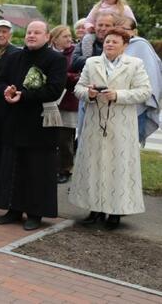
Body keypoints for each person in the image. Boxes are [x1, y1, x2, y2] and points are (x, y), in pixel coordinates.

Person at [70, 27, 152, 230]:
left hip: (121, 125)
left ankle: (115, 212)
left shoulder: (135, 64)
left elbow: (144, 92)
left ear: (125, 46)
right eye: (107, 41)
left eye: (115, 41)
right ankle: (94, 209)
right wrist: (88, 94)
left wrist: (118, 95)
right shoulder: (92, 62)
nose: (110, 44)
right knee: (94, 166)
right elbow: (78, 89)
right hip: (94, 124)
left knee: (118, 166)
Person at [0, 21, 67, 231]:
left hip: (40, 123)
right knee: (13, 165)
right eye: (29, 32)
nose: (32, 35)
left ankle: (35, 213)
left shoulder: (55, 60)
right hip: (14, 120)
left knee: (37, 169)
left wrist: (23, 95)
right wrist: (6, 90)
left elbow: (54, 89)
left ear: (47, 37)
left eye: (37, 32)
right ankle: (13, 209)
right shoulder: (14, 56)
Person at [0, 20, 21, 189]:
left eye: (4, 32)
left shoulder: (15, 52)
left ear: (10, 35)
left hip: (2, 103)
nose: (0, 34)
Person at [121, 18, 162, 146]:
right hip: (117, 104)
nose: (120, 31)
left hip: (137, 105)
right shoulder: (112, 44)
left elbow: (152, 74)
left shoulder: (141, 45)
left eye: (124, 29)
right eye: (117, 28)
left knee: (130, 147)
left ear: (134, 31)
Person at [48, 25, 80, 183]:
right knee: (49, 137)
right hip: (48, 101)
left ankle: (65, 169)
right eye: (65, 36)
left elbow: (80, 74)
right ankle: (49, 167)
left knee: (65, 138)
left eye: (70, 36)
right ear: (55, 39)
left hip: (68, 100)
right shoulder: (47, 52)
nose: (69, 39)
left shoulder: (75, 53)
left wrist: (61, 75)